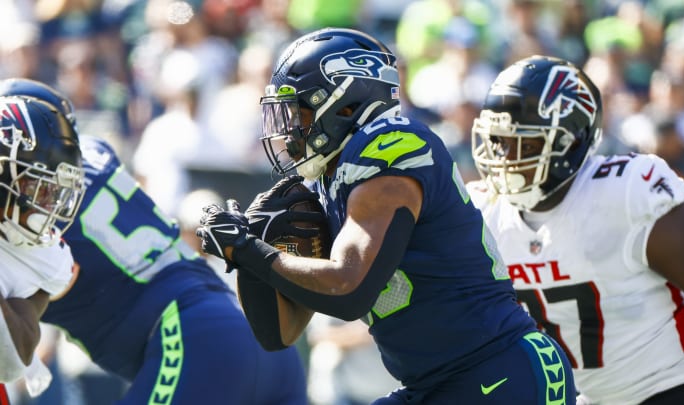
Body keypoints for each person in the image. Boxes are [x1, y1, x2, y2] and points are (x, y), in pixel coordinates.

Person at [197, 27, 576, 404]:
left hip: (500, 371)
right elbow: (279, 333)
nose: (291, 129)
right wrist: (247, 258)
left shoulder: (391, 145)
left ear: (344, 104)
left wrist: (248, 251)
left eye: (300, 111)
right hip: (439, 384)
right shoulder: (329, 182)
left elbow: (349, 289)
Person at [0, 78, 309, 405]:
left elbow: (11, 349)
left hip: (192, 341)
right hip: (252, 333)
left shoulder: (37, 207)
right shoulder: (90, 158)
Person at [466, 55, 684, 404]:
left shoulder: (626, 193)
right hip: (593, 397)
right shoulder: (483, 212)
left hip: (680, 381)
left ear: (568, 143)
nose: (504, 156)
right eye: (498, 141)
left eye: (524, 143)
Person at [0, 95, 85, 395]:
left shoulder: (46, 256)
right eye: (39, 187)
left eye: (55, 191)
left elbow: (9, 357)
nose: (49, 205)